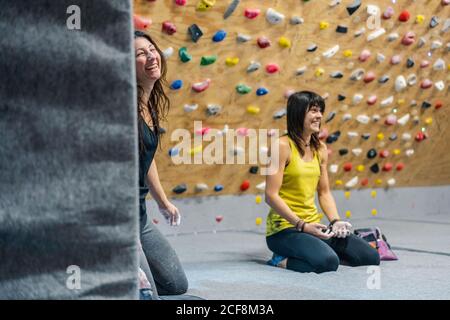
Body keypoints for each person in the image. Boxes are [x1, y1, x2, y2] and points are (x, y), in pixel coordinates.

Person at [265, 91, 380, 273]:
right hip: (285, 229)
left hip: (315, 226)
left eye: (320, 111)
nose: (319, 116)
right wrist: (302, 225)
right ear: (298, 113)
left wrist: (335, 221)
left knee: (370, 257)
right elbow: (271, 195)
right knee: (327, 263)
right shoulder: (280, 146)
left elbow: (324, 192)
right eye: (313, 110)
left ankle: (319, 250)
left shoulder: (321, 149)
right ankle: (280, 259)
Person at [134, 30, 188, 294]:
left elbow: (147, 157)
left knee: (176, 285)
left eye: (151, 49)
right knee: (146, 294)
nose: (150, 56)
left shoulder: (149, 105)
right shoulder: (124, 109)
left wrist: (163, 201)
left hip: (140, 217)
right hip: (119, 219)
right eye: (140, 54)